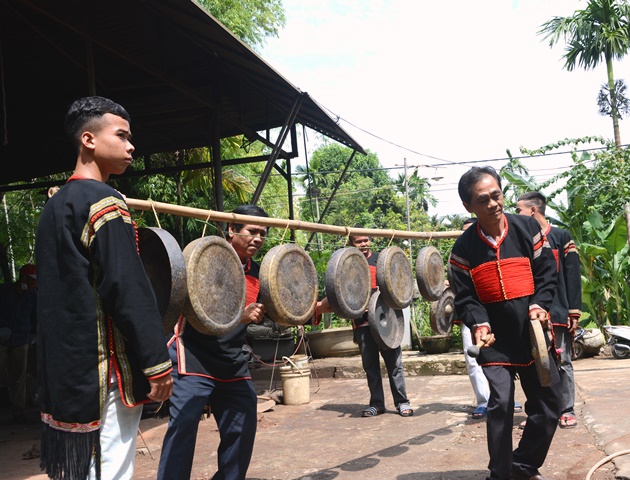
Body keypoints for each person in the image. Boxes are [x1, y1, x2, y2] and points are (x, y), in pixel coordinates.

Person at [35, 96, 173, 480]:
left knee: (85, 471)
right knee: (110, 468)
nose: (131, 146)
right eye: (122, 135)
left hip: (66, 372)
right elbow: (127, 287)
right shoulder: (104, 202)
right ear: (89, 140)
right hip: (105, 371)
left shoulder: (54, 207)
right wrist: (157, 363)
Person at [449, 166, 560, 480]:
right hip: (494, 341)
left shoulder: (527, 229)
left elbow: (546, 275)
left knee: (548, 403)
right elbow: (466, 297)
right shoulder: (463, 249)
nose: (493, 204)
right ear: (469, 206)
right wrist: (479, 324)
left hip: (531, 334)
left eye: (496, 195)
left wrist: (539, 306)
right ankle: (500, 473)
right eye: (483, 200)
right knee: (501, 403)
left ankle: (523, 465)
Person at [157, 204, 269, 480]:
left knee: (244, 420)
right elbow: (193, 310)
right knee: (183, 424)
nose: (257, 239)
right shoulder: (202, 259)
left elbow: (284, 306)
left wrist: (328, 304)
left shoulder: (259, 272)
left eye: (263, 234)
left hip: (230, 359)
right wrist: (237, 317)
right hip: (193, 352)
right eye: (251, 231)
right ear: (231, 229)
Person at [316, 233, 413, 418]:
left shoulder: (381, 261)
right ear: (351, 243)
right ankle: (377, 404)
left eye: (366, 240)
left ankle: (402, 402)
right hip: (361, 322)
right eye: (359, 241)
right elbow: (339, 293)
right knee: (370, 365)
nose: (364, 244)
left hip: (387, 320)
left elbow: (397, 287)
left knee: (394, 364)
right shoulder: (345, 265)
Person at [516, 191, 582, 429]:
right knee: (537, 363)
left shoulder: (561, 236)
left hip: (558, 311)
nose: (516, 215)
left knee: (562, 361)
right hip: (533, 314)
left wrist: (573, 311)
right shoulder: (523, 240)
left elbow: (572, 275)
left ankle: (567, 409)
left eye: (519, 210)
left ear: (533, 211)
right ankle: (544, 412)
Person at [452, 219, 523, 420]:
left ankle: (505, 398)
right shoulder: (459, 254)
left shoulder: (491, 252)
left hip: (497, 316)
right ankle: (484, 401)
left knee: (506, 360)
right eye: (463, 232)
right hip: (472, 318)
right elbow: (462, 294)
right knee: (474, 361)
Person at [0, 264, 38, 423]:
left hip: (22, 339)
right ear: (23, 278)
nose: (34, 284)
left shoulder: (33, 295)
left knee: (19, 375)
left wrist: (35, 334)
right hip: (2, 338)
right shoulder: (3, 291)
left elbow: (35, 317)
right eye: (32, 280)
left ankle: (19, 412)